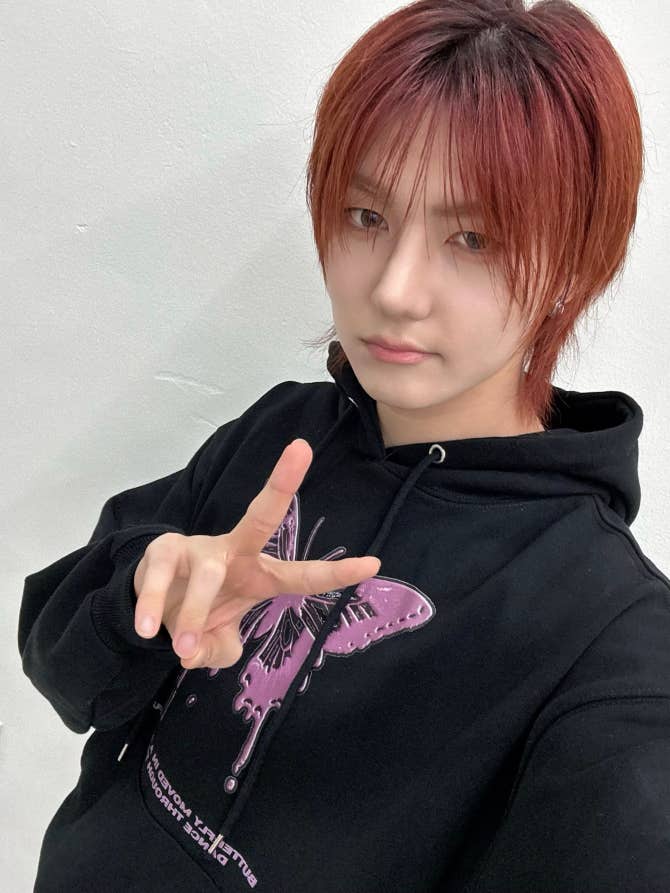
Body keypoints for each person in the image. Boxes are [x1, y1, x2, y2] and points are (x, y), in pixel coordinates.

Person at [18, 1, 670, 890]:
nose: (395, 289)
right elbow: (61, 669)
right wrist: (146, 596)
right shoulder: (282, 432)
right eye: (366, 216)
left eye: (473, 237)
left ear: (573, 264)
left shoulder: (608, 637)